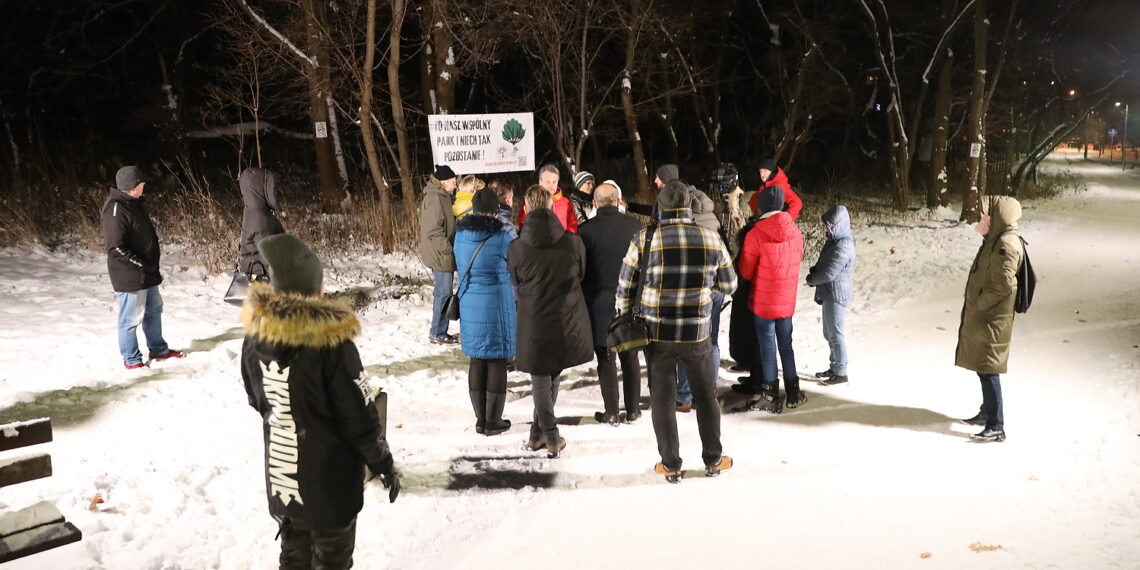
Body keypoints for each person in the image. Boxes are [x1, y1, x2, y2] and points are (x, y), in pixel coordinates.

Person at [240, 234, 400, 569]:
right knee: (331, 560)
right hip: (330, 484)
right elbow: (359, 416)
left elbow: (258, 399)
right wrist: (383, 462)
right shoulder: (332, 345)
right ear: (313, 288)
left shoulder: (255, 338)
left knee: (293, 557)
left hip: (285, 478)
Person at [616, 180, 737, 483]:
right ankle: (713, 459)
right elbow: (730, 284)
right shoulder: (711, 238)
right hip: (697, 332)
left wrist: (626, 310)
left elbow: (624, 289)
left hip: (657, 334)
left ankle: (670, 464)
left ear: (661, 206)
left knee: (663, 398)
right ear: (688, 205)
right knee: (705, 395)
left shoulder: (643, 239)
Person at [508, 185, 593, 458]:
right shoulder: (572, 241)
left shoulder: (517, 247)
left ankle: (540, 434)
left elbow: (515, 282)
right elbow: (580, 273)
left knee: (544, 375)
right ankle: (550, 434)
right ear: (551, 205)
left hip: (534, 318)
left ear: (526, 208)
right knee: (549, 374)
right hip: (565, 315)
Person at [101, 165, 184, 369]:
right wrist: (140, 264)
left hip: (147, 272)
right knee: (130, 319)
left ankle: (158, 349)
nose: (144, 184)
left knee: (154, 310)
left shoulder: (134, 203)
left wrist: (149, 265)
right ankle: (132, 360)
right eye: (141, 182)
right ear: (131, 186)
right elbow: (115, 248)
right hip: (130, 275)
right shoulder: (116, 208)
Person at [955, 196, 1024, 442]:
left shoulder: (1006, 244)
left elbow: (1005, 285)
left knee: (989, 369)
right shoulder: (995, 240)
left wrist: (979, 304)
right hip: (987, 318)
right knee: (984, 368)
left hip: (992, 319)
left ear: (998, 217)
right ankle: (987, 413)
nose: (982, 219)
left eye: (986, 215)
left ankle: (996, 425)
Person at [578, 182, 645, 425]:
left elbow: (581, 271)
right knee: (630, 357)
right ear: (618, 202)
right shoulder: (637, 227)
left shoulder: (585, 231)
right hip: (630, 302)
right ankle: (634, 410)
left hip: (599, 302)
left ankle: (612, 412)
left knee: (606, 358)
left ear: (595, 204)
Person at [455, 187, 517, 436]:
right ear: (495, 210)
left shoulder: (460, 236)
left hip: (469, 300)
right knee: (497, 359)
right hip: (497, 302)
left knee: (477, 358)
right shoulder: (503, 237)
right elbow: (516, 265)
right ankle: (493, 420)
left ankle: (480, 419)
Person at [739, 186, 805, 413]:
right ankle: (793, 392)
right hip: (786, 301)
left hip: (763, 303)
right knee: (786, 345)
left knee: (768, 348)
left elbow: (746, 271)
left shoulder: (755, 234)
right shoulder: (795, 231)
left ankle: (770, 395)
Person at [805, 205, 857, 385]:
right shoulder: (835, 241)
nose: (825, 229)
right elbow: (825, 264)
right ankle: (834, 366)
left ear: (837, 225)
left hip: (837, 293)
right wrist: (815, 270)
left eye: (828, 226)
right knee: (828, 333)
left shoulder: (843, 245)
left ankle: (841, 372)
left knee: (836, 333)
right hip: (829, 292)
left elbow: (830, 273)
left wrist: (813, 279)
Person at [419, 164, 459, 344]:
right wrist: (448, 250)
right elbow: (434, 231)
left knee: (443, 293)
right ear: (443, 183)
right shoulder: (436, 198)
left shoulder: (443, 196)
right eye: (452, 182)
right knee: (444, 293)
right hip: (440, 253)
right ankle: (437, 332)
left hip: (440, 252)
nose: (455, 185)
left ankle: (438, 331)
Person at [237, 167, 286, 281]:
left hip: (257, 272)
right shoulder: (260, 219)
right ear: (262, 190)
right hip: (261, 276)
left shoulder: (254, 212)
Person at [517, 163, 579, 232]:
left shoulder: (566, 202)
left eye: (554, 182)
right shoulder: (530, 200)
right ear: (540, 181)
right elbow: (523, 224)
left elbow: (572, 224)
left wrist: (566, 239)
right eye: (548, 182)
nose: (551, 185)